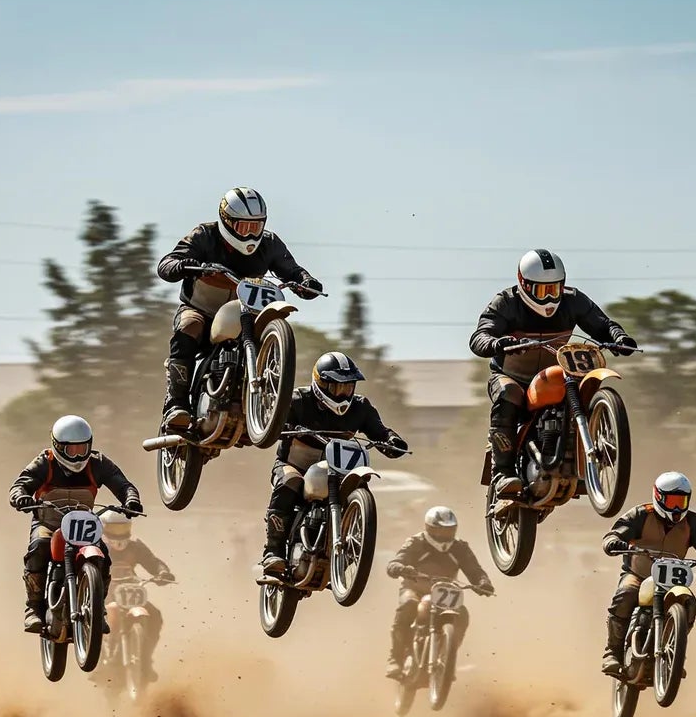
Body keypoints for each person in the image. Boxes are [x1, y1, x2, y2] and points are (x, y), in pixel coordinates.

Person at [468, 250, 638, 496]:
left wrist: (618, 337)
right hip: (511, 376)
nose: (549, 298)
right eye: (541, 291)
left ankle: (584, 457)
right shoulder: (505, 302)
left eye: (554, 289)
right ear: (523, 284)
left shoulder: (574, 300)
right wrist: (495, 343)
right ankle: (503, 473)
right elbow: (480, 335)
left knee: (583, 391)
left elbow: (602, 324)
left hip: (559, 372)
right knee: (508, 394)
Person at [155, 188, 324, 432]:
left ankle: (266, 400)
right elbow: (166, 264)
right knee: (189, 325)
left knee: (268, 329)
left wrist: (305, 281)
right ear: (226, 221)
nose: (250, 234)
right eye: (243, 227)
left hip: (248, 312)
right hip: (202, 310)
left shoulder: (270, 244)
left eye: (255, 227)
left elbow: (292, 268)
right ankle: (176, 404)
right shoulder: (204, 235)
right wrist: (184, 265)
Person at [261, 351, 408, 576]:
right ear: (321, 384)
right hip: (294, 465)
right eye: (338, 387)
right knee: (290, 481)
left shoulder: (361, 408)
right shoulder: (297, 400)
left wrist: (391, 441)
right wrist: (282, 426)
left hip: (338, 469)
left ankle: (351, 547)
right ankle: (274, 552)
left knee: (359, 488)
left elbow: (380, 431)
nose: (343, 393)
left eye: (348, 387)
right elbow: (271, 422)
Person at [8, 415, 144, 633]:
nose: (78, 455)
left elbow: (123, 484)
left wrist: (131, 500)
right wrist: (20, 497)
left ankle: (97, 609)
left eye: (82, 448)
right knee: (40, 546)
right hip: (48, 522)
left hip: (84, 524)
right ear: (57, 447)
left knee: (103, 556)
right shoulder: (45, 462)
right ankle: (33, 608)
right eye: (71, 450)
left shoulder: (98, 463)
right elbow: (20, 484)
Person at [600, 471, 696, 675]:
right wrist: (613, 542)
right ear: (658, 496)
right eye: (672, 500)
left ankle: (673, 652)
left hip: (672, 581)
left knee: (690, 605)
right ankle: (612, 653)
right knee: (625, 594)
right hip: (637, 574)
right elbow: (615, 533)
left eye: (681, 501)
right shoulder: (641, 514)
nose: (676, 508)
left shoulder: (694, 522)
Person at [383, 506, 495, 678]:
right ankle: (395, 659)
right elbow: (395, 562)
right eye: (440, 530)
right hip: (414, 588)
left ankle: (447, 658)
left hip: (444, 593)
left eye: (449, 530)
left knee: (462, 614)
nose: (445, 534)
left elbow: (474, 570)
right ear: (429, 528)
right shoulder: (416, 542)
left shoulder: (460, 547)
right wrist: (400, 567)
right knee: (409, 605)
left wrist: (483, 582)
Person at [98, 510, 176, 682]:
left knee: (155, 616)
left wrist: (163, 573)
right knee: (97, 618)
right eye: (114, 529)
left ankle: (145, 661)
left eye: (123, 528)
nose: (120, 534)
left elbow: (153, 562)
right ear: (103, 529)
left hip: (131, 593)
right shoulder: (96, 547)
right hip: (103, 593)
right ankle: (99, 662)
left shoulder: (135, 546)